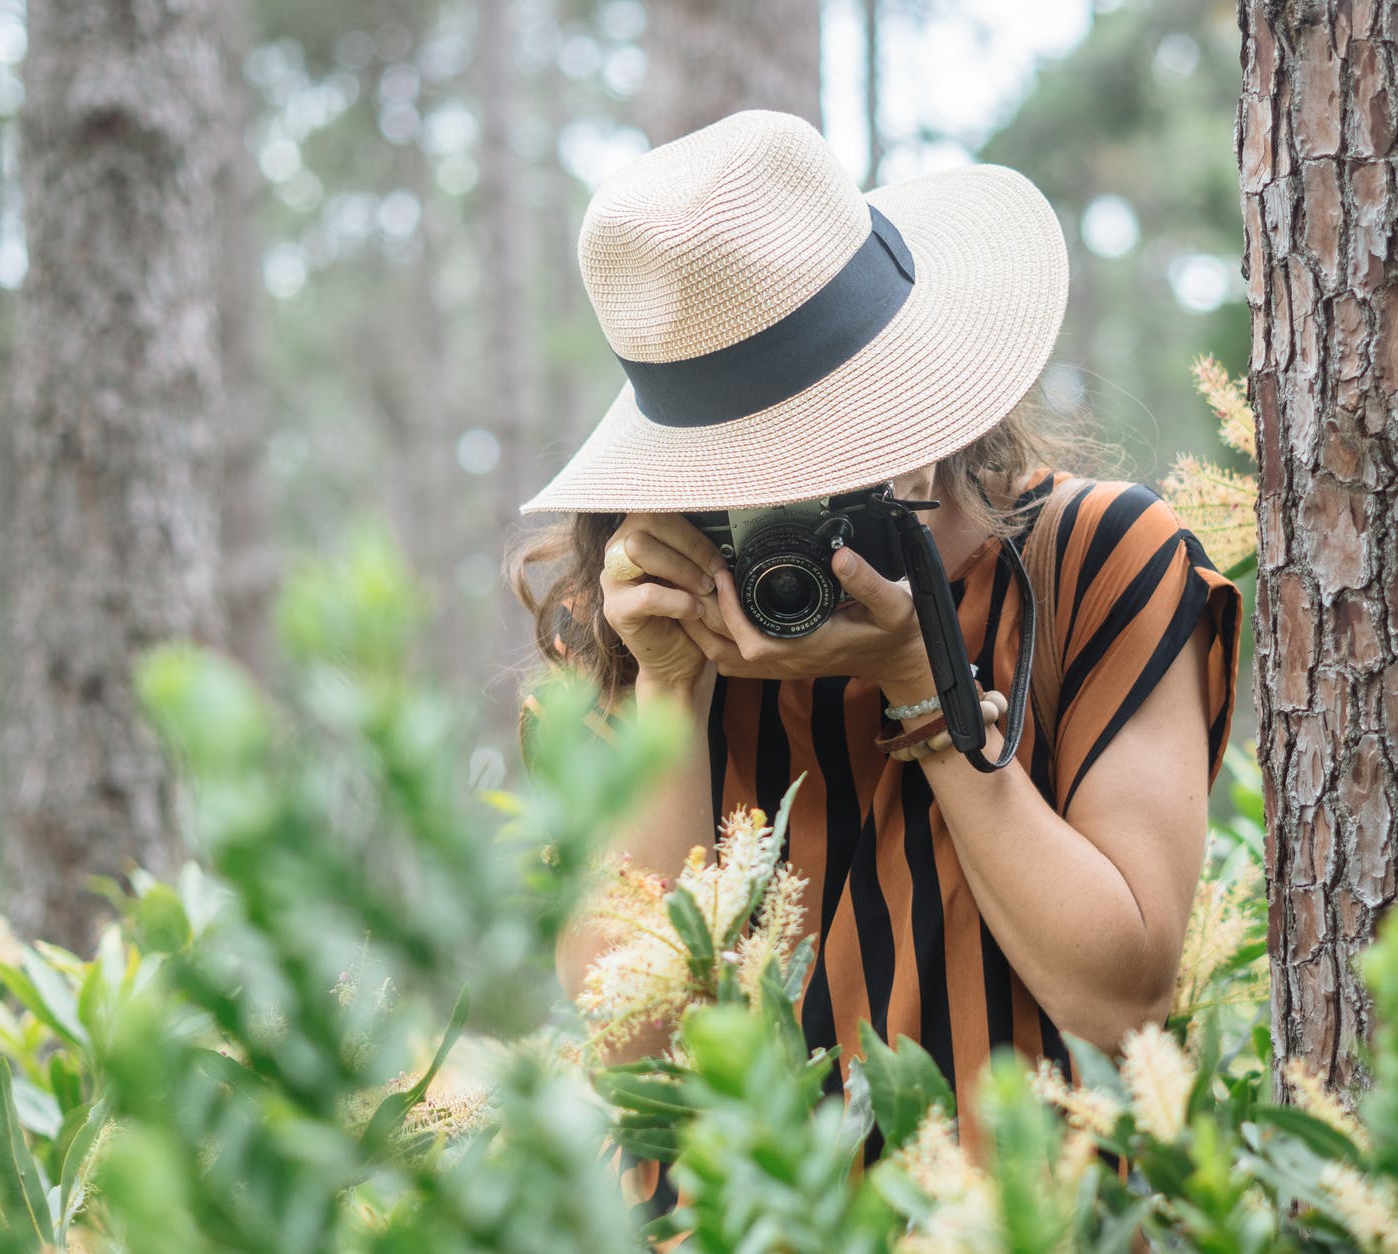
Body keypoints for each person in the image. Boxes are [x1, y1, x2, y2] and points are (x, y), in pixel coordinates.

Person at [507, 111, 1242, 1172]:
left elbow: (1117, 997)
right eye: (742, 469)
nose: (790, 496)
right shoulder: (637, 619)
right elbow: (630, 1053)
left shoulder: (1095, 561)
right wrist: (663, 702)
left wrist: (925, 691)